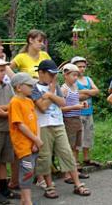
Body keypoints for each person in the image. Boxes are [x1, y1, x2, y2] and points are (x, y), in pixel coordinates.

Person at [32, 60, 90, 198]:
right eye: (50, 74)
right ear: (41, 73)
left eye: (55, 75)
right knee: (44, 157)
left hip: (58, 124)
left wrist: (51, 94)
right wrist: (52, 94)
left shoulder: (55, 86)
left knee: (67, 153)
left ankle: (78, 184)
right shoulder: (34, 88)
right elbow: (42, 106)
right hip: (43, 126)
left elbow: (62, 102)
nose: (53, 78)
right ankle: (49, 186)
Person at [8, 73, 42, 205]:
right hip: (23, 145)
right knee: (27, 172)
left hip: (33, 143)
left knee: (31, 170)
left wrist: (37, 139)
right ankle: (27, 201)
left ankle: (24, 200)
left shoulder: (29, 101)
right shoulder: (15, 102)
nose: (32, 87)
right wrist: (35, 139)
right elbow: (20, 125)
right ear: (18, 87)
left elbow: (36, 120)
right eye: (29, 85)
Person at [0, 58, 18, 204]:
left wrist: (3, 109)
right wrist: (6, 108)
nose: (4, 73)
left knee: (3, 160)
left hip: (6, 128)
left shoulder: (7, 86)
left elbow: (14, 105)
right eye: (1, 70)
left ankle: (4, 189)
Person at [60, 64, 90, 182]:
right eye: (73, 75)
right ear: (66, 75)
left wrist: (82, 104)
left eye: (77, 75)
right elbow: (60, 108)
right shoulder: (63, 89)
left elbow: (76, 101)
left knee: (76, 147)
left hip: (77, 118)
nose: (76, 78)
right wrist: (74, 107)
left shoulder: (75, 87)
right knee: (69, 147)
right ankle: (67, 174)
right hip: (68, 120)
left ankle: (75, 169)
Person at [70, 56, 100, 168]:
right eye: (79, 67)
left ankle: (87, 158)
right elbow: (75, 95)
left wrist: (85, 91)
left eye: (83, 66)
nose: (82, 69)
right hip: (78, 113)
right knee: (78, 137)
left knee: (88, 135)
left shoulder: (88, 79)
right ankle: (76, 161)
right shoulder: (73, 80)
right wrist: (89, 92)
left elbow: (96, 91)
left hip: (89, 111)